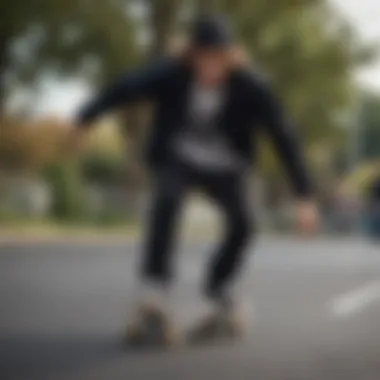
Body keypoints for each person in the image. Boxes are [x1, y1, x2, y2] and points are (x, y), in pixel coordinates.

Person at [70, 15, 318, 344]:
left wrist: (305, 196)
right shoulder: (171, 73)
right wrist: (85, 117)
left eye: (218, 60)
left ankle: (218, 289)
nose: (210, 68)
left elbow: (283, 136)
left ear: (231, 58)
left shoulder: (251, 85)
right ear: (192, 55)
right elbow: (127, 87)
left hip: (227, 167)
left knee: (244, 223)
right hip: (179, 158)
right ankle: (154, 294)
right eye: (204, 58)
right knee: (167, 199)